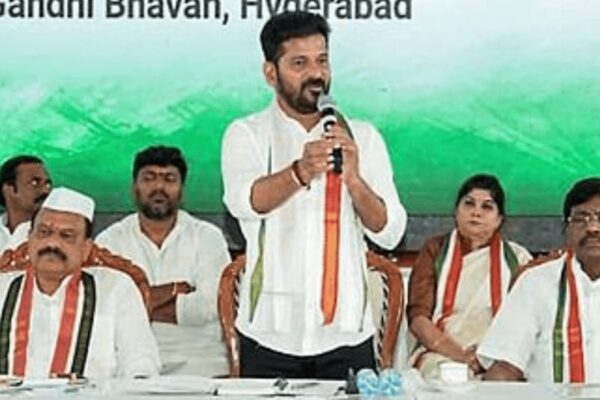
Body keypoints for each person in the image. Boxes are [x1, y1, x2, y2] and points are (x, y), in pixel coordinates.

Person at [221, 11, 406, 379]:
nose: (316, 74)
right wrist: (299, 172)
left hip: (346, 335)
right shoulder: (246, 134)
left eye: (322, 60)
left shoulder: (362, 136)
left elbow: (390, 232)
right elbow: (244, 202)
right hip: (270, 334)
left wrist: (354, 180)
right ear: (270, 73)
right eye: (299, 63)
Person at [95, 145, 231, 376]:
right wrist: (174, 290)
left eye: (169, 179)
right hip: (128, 362)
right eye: (149, 178)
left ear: (181, 189)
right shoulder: (110, 240)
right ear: (134, 188)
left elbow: (210, 306)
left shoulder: (207, 237)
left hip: (201, 361)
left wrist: (135, 306)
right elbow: (106, 308)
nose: (159, 187)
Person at [0, 187, 160, 378]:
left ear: (86, 248)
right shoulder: (2, 287)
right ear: (29, 239)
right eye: (44, 232)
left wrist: (137, 383)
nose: (53, 243)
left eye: (66, 236)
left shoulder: (115, 287)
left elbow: (140, 359)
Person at [407, 174, 532, 379]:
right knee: (444, 377)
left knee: (504, 380)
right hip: (442, 352)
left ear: (499, 219)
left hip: (498, 356)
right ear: (456, 211)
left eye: (487, 207)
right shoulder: (435, 251)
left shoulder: (517, 258)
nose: (476, 212)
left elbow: (525, 323)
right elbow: (418, 319)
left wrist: (487, 356)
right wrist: (461, 356)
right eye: (469, 203)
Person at [479, 177, 600, 383]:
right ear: (566, 229)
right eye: (581, 218)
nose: (593, 228)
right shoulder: (535, 282)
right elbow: (506, 366)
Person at [0, 155, 52, 253]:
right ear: (9, 190)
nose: (45, 191)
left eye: (48, 184)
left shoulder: (57, 235)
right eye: (34, 183)